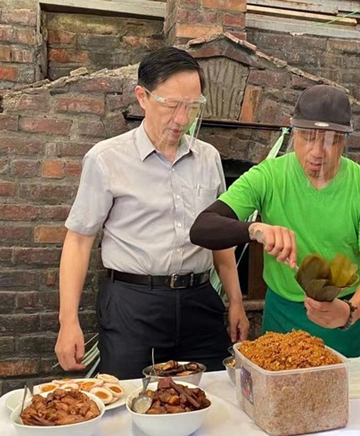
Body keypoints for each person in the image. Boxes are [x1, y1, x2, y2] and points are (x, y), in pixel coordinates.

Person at [54, 46, 249, 379]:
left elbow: (219, 239)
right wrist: (67, 320)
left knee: (215, 394)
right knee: (129, 398)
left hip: (200, 301)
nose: (182, 119)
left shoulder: (208, 158)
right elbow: (79, 241)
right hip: (132, 303)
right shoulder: (106, 159)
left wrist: (236, 301)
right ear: (142, 96)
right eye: (171, 105)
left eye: (193, 106)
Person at [190, 85, 360, 358]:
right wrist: (255, 229)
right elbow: (203, 227)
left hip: (344, 316)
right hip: (282, 318)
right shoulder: (269, 176)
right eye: (308, 137)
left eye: (330, 140)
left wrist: (349, 312)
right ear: (293, 132)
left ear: (344, 141)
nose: (317, 152)